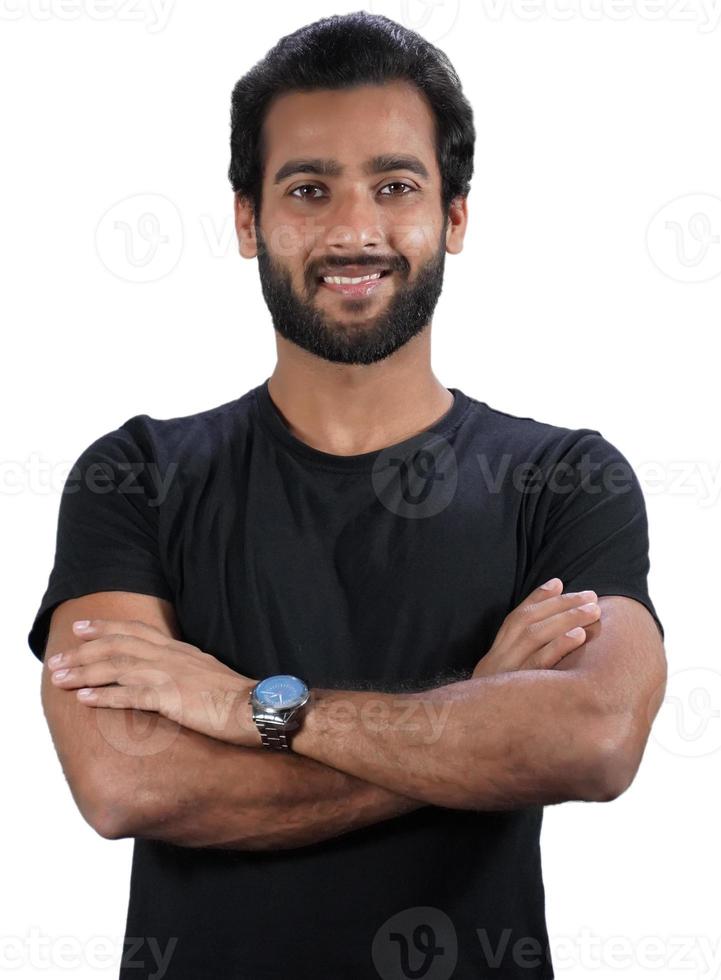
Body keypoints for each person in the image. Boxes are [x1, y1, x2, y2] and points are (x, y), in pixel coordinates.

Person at [28, 11, 667, 979]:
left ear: (454, 213)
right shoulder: (137, 474)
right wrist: (482, 714)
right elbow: (125, 781)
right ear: (248, 219)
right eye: (308, 188)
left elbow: (594, 736)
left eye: (395, 184)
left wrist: (248, 706)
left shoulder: (563, 477)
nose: (353, 229)